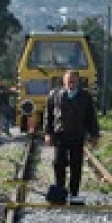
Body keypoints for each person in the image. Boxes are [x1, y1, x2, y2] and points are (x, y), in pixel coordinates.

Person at [44, 69, 100, 201]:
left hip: (77, 135)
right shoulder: (54, 94)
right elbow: (49, 116)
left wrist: (94, 134)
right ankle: (60, 192)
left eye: (73, 80)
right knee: (58, 163)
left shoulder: (85, 96)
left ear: (78, 81)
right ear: (64, 80)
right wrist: (48, 133)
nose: (71, 82)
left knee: (76, 165)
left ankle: (74, 193)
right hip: (60, 135)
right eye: (68, 80)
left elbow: (91, 116)